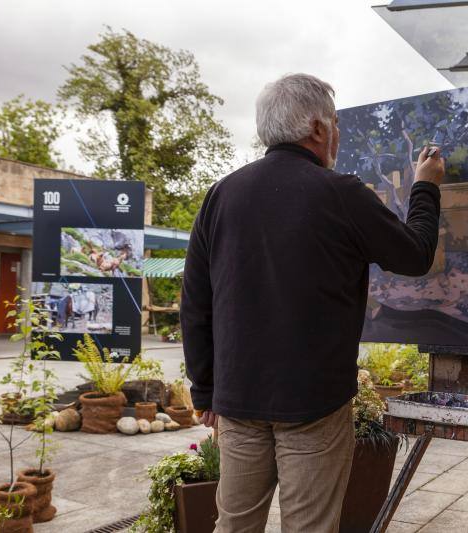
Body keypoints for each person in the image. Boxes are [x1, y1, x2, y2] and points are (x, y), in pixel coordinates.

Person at [181, 73, 444, 533]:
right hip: (313, 405)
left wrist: (205, 390)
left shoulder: (222, 194)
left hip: (238, 400)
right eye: (336, 124)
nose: (338, 134)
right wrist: (425, 187)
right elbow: (416, 255)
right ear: (318, 130)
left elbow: (195, 300)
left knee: (234, 526)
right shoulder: (340, 193)